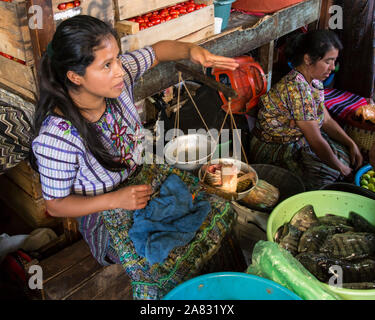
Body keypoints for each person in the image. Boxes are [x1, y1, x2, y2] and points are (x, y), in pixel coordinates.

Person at [31, 15, 239, 299]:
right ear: (74, 76)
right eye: (106, 65)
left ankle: (222, 291)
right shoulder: (58, 137)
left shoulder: (118, 77)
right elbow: (55, 205)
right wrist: (116, 199)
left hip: (143, 178)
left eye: (117, 58)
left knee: (221, 212)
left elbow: (159, 51)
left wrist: (192, 51)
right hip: (103, 214)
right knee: (163, 272)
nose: (119, 69)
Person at [250, 30, 363, 190]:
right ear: (308, 59)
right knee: (323, 181)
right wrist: (343, 169)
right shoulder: (296, 89)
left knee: (345, 156)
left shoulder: (315, 82)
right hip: (274, 147)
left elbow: (326, 120)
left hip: (299, 138)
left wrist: (351, 143)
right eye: (328, 61)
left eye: (334, 61)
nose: (332, 68)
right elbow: (316, 140)